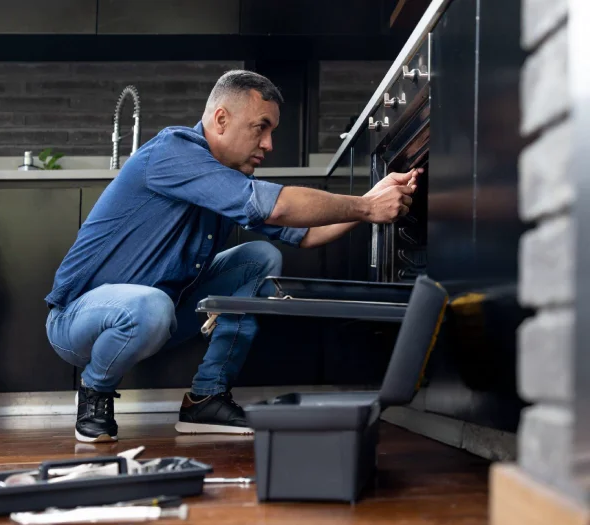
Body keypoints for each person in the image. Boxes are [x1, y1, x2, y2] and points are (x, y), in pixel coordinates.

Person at [44, 70, 419, 443]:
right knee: (151, 305)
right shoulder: (172, 151)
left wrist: (372, 198)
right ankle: (95, 391)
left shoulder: (225, 178)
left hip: (160, 314)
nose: (269, 144)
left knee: (260, 257)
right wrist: (367, 208)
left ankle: (206, 397)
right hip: (79, 322)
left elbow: (306, 234)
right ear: (221, 120)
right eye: (261, 127)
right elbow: (276, 208)